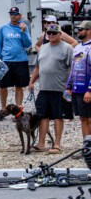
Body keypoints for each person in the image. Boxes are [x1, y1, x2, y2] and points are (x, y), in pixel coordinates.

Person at [29, 23, 73, 153]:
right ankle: (41, 143)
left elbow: (72, 69)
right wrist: (31, 82)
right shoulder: (43, 48)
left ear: (60, 34)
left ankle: (57, 145)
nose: (51, 35)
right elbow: (37, 67)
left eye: (54, 33)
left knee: (58, 116)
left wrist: (70, 87)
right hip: (44, 88)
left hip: (60, 89)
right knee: (43, 116)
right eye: (49, 33)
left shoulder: (67, 48)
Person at [0, 7, 33, 121]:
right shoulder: (3, 28)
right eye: (11, 13)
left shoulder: (23, 27)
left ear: (20, 16)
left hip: (21, 60)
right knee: (3, 86)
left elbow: (28, 44)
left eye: (16, 14)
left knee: (19, 86)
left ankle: (18, 110)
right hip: (6, 60)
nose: (13, 16)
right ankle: (3, 109)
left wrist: (23, 32)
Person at [68, 20, 91, 140]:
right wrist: (68, 87)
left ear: (89, 31)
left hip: (87, 90)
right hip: (77, 89)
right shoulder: (77, 47)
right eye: (78, 29)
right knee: (83, 118)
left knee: (90, 119)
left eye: (81, 29)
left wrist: (89, 90)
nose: (78, 31)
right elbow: (73, 68)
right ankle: (86, 145)